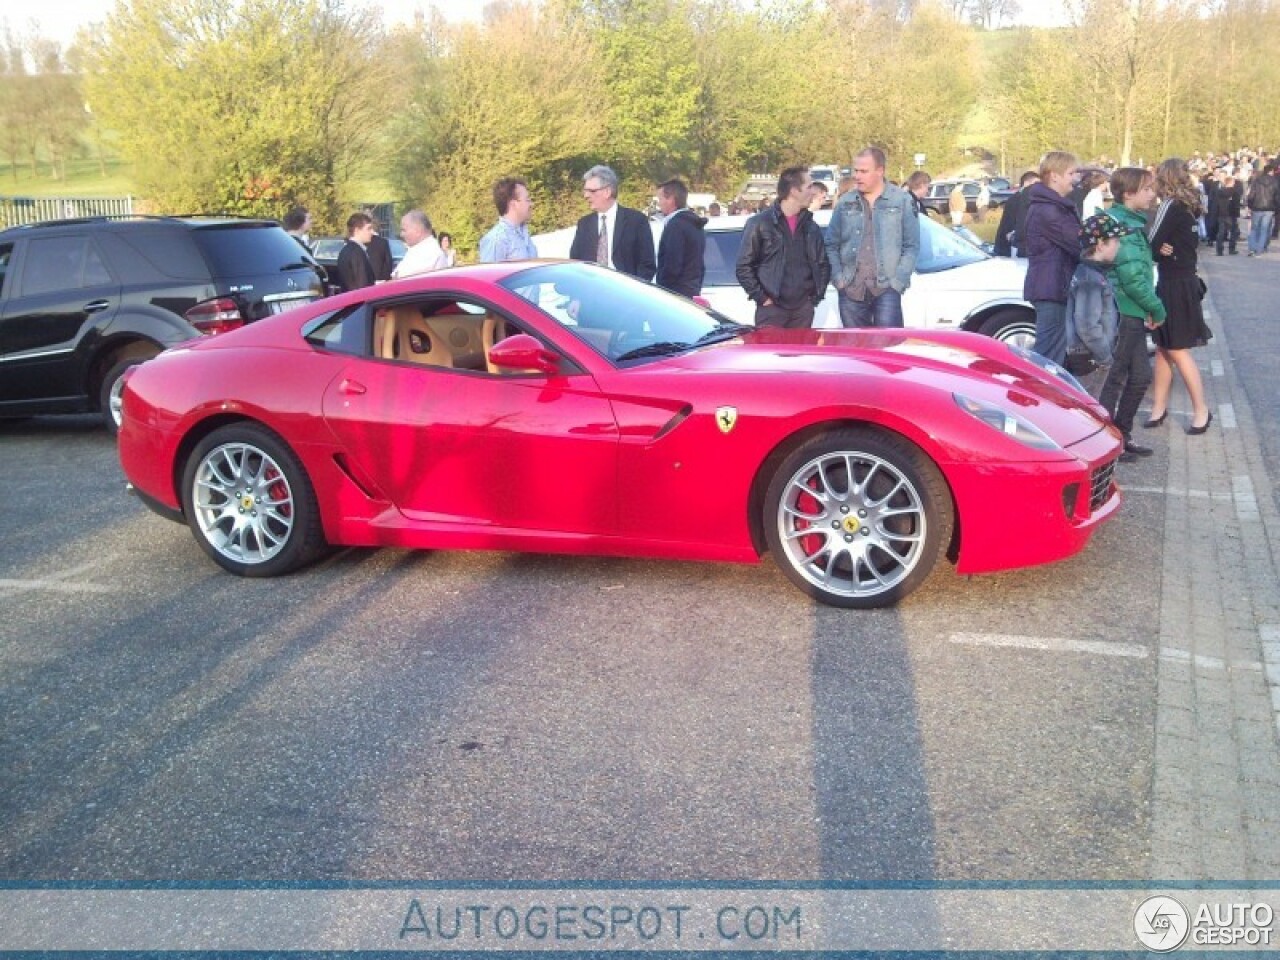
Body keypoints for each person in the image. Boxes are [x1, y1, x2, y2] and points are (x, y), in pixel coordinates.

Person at [1101, 167, 1166, 460]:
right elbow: (1132, 278)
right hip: (1124, 310)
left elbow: (1139, 270)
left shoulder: (1132, 222)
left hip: (1134, 311)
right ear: (1128, 193)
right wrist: (1156, 306)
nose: (1152, 194)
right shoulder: (1121, 225)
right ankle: (1106, 444)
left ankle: (1122, 434)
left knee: (1139, 377)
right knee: (1115, 379)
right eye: (1147, 189)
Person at [1145, 158, 1213, 434]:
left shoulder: (1170, 206)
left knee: (1176, 349)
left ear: (1165, 178)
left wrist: (1161, 249)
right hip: (1184, 280)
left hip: (1174, 284)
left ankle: (1201, 411)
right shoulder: (1189, 206)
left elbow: (1151, 244)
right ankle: (1158, 407)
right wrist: (1166, 249)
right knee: (1164, 348)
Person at [825, 146, 919, 328]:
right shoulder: (846, 202)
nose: (857, 176)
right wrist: (839, 279)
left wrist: (898, 282)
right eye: (856, 171)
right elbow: (830, 243)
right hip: (851, 289)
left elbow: (911, 246)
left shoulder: (901, 200)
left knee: (888, 350)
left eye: (864, 171)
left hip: (887, 289)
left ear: (880, 171)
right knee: (856, 353)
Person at [734, 165, 830, 328]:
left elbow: (823, 264)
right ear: (794, 190)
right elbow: (743, 266)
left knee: (802, 354)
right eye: (808, 186)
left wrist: (814, 298)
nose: (812, 192)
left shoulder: (811, 226)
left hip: (802, 311)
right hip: (772, 311)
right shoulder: (760, 224)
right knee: (770, 354)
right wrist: (763, 298)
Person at [1022, 151, 1081, 363]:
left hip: (1053, 285)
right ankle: (1037, 395)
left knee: (1053, 351)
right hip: (1050, 287)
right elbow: (1078, 243)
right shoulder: (1049, 211)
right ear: (1054, 176)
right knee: (1047, 356)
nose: (1075, 178)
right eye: (1071, 173)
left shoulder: (1052, 206)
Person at [569, 164, 655, 281]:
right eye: (585, 191)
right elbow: (575, 264)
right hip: (590, 293)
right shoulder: (584, 224)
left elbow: (647, 265)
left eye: (591, 191)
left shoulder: (636, 221)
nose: (586, 196)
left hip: (626, 292)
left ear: (607, 192)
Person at [1064, 213, 1125, 377]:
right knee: (1091, 401)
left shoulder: (1093, 273)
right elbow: (1087, 326)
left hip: (1090, 353)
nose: (1118, 246)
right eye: (1115, 241)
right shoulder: (1090, 278)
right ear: (1100, 245)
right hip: (1089, 356)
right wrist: (1105, 358)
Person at [654, 178, 707, 298]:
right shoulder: (694, 224)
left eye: (660, 198)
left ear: (671, 199)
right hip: (691, 291)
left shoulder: (675, 226)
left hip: (675, 294)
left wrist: (662, 287)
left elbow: (672, 265)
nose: (659, 203)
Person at [478, 177, 537, 263]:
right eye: (527, 200)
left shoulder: (524, 234)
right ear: (513, 204)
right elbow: (490, 275)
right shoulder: (496, 240)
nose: (531, 204)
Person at [993, 171, 1039, 257]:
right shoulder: (1018, 199)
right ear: (1026, 183)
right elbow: (1012, 223)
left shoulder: (1017, 198)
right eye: (1035, 183)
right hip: (1011, 245)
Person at [392, 209, 449, 279]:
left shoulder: (429, 252)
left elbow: (402, 278)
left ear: (418, 231)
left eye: (404, 230)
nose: (401, 234)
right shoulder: (418, 249)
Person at [335, 212, 377, 292]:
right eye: (368, 228)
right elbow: (362, 285)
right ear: (357, 230)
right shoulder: (357, 252)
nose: (372, 232)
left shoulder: (346, 250)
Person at [1245, 161, 1278, 256]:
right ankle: (1260, 249)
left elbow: (1251, 195)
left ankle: (1252, 248)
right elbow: (1277, 196)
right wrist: (1276, 208)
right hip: (1269, 208)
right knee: (1264, 229)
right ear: (1271, 171)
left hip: (1257, 207)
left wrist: (1250, 206)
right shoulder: (1275, 182)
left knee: (1254, 228)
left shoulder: (1256, 180)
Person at [1213, 173, 1242, 255]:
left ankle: (1219, 250)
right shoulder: (1235, 192)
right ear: (1231, 182)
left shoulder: (1219, 192)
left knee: (1221, 232)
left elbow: (1216, 204)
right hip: (1231, 214)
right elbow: (1236, 204)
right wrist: (1237, 214)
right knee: (1233, 231)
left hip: (1222, 213)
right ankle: (1231, 249)